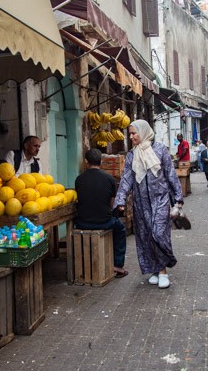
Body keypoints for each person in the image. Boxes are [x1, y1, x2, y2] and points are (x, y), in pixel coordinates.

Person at [115, 120, 183, 289]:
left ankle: (163, 271)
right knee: (146, 236)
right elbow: (126, 179)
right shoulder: (132, 155)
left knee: (158, 233)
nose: (131, 137)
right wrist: (121, 199)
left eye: (134, 133)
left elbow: (170, 174)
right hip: (141, 203)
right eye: (129, 134)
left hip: (160, 200)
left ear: (144, 132)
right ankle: (154, 269)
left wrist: (178, 198)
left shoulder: (160, 150)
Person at [74, 149, 128, 277]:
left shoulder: (79, 179)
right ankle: (118, 265)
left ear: (86, 162)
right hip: (104, 222)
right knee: (120, 229)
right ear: (101, 162)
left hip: (83, 223)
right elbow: (112, 204)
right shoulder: (109, 179)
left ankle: (83, 264)